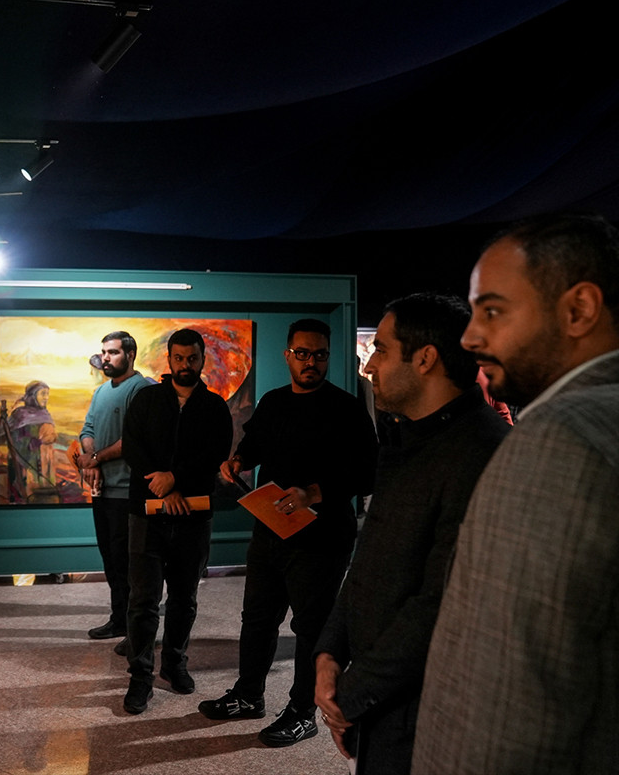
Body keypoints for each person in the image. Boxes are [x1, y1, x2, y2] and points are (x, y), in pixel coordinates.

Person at [412, 212, 619, 774]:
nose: (469, 337)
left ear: (578, 309)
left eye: (493, 311)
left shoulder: (559, 439)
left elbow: (505, 698)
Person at [312, 294, 510, 772]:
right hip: (382, 706)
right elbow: (369, 559)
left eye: (380, 349)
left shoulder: (482, 451)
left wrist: (350, 696)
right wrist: (329, 650)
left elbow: (441, 602)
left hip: (428, 715)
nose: (368, 366)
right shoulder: (409, 437)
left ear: (425, 358)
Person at [198, 318, 377, 747]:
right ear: (288, 356)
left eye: (319, 354)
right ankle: (248, 695)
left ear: (328, 357)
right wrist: (237, 461)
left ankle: (302, 713)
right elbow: (255, 445)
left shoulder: (346, 408)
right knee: (258, 618)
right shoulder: (274, 401)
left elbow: (369, 471)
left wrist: (313, 493)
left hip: (322, 537)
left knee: (311, 627)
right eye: (302, 354)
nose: (310, 362)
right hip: (270, 529)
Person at [119, 328, 232, 714]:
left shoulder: (215, 407)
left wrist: (176, 479)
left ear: (203, 360)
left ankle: (174, 664)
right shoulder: (147, 399)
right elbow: (133, 446)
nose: (186, 365)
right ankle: (140, 677)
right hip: (146, 514)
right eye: (179, 358)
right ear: (169, 360)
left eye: (192, 358)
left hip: (194, 517)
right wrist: (163, 486)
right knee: (143, 600)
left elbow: (215, 453)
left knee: (185, 598)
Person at [75, 331, 149, 641]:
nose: (105, 357)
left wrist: (95, 459)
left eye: (113, 352)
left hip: (128, 493)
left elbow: (133, 440)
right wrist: (91, 461)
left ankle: (136, 629)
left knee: (130, 564)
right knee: (111, 559)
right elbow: (87, 429)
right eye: (104, 352)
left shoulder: (143, 389)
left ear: (130, 355)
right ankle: (119, 620)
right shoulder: (101, 391)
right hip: (102, 492)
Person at [5, 380, 57, 502]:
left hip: (44, 459)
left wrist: (49, 438)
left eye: (47, 394)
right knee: (25, 491)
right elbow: (9, 436)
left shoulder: (45, 414)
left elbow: (51, 435)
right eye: (43, 394)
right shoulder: (20, 414)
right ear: (33, 395)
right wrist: (31, 442)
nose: (46, 397)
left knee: (45, 490)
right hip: (24, 459)